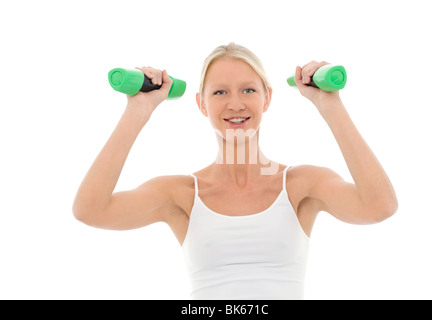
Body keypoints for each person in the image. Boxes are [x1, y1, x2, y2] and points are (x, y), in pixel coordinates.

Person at [72, 43, 398, 299]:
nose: (235, 104)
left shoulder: (301, 185)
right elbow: (90, 210)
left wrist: (331, 105)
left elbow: (379, 206)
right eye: (220, 92)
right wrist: (138, 110)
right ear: (201, 104)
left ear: (267, 98)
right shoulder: (182, 195)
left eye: (248, 90)